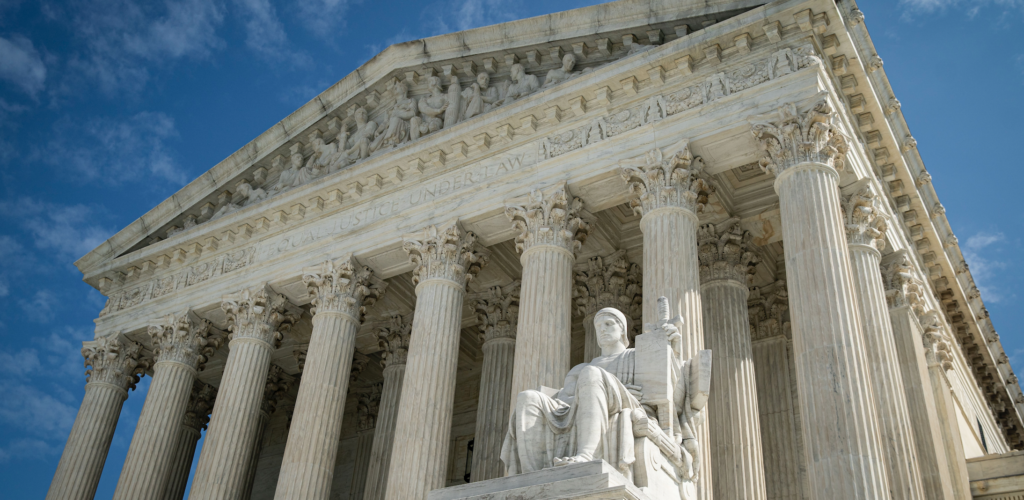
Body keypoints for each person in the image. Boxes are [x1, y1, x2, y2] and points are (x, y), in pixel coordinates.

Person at [501, 302, 707, 484]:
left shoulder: (637, 356)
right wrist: (588, 393)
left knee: (592, 374)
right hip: (579, 409)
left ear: (623, 330)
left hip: (630, 405)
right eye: (599, 326)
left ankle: (586, 454)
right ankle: (531, 474)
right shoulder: (579, 369)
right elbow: (565, 400)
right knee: (527, 397)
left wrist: (671, 349)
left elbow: (672, 391)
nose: (602, 329)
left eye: (609, 324)